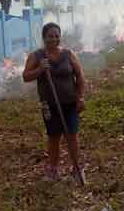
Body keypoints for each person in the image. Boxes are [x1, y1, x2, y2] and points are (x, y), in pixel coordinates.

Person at [23, 23, 87, 185]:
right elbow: (26, 76)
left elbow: (79, 77)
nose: (54, 39)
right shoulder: (36, 56)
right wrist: (39, 70)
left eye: (57, 36)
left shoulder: (69, 54)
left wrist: (80, 98)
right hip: (49, 105)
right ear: (44, 38)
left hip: (70, 103)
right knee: (54, 137)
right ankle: (53, 170)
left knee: (72, 135)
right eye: (50, 36)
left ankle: (76, 169)